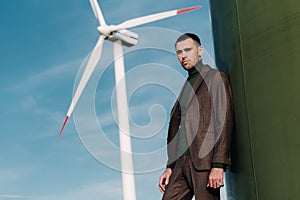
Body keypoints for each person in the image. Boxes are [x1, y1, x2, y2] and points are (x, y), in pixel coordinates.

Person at [158, 33, 233, 200]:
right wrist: (170, 166)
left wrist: (218, 165)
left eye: (187, 50)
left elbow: (224, 121)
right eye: (179, 52)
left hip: (204, 161)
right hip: (180, 163)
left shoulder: (215, 78)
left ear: (199, 51)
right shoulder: (186, 86)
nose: (183, 56)